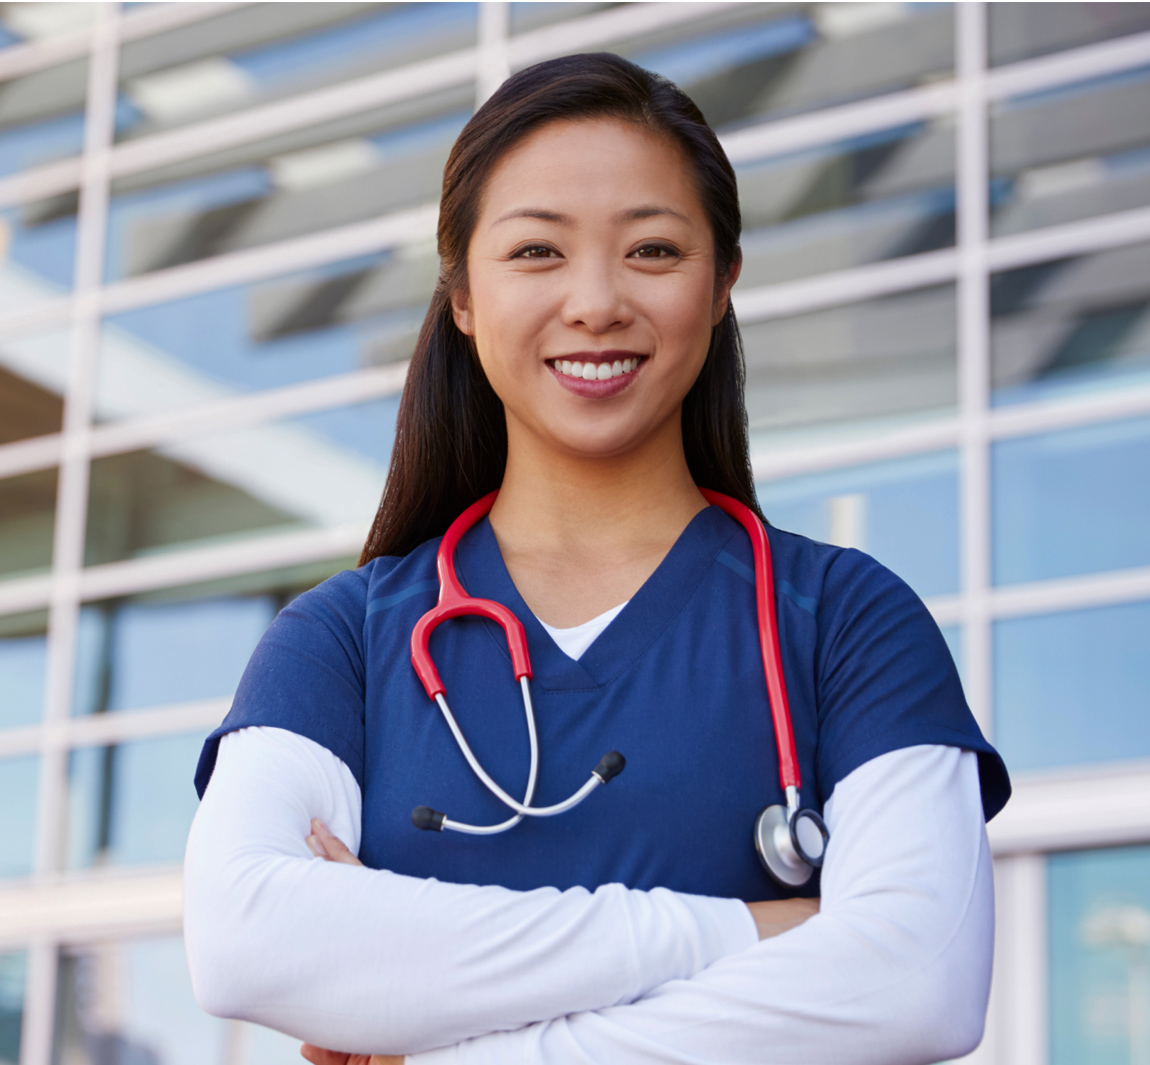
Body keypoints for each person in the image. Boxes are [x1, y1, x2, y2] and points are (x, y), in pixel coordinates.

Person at [184, 53, 1010, 1065]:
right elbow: (244, 946)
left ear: (720, 287)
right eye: (536, 253)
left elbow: (915, 987)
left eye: (653, 250)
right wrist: (750, 928)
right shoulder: (344, 641)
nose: (595, 302)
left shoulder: (843, 620)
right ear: (462, 297)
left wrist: (444, 1047)